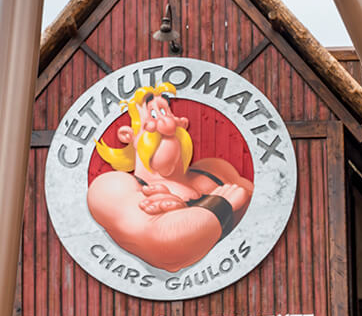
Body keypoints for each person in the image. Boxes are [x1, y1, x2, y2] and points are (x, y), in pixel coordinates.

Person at [85, 83, 254, 272]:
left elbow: (264, 215)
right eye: (153, 116)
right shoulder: (111, 186)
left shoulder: (214, 171)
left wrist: (192, 216)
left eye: (166, 113)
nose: (166, 126)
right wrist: (223, 203)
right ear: (128, 135)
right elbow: (165, 244)